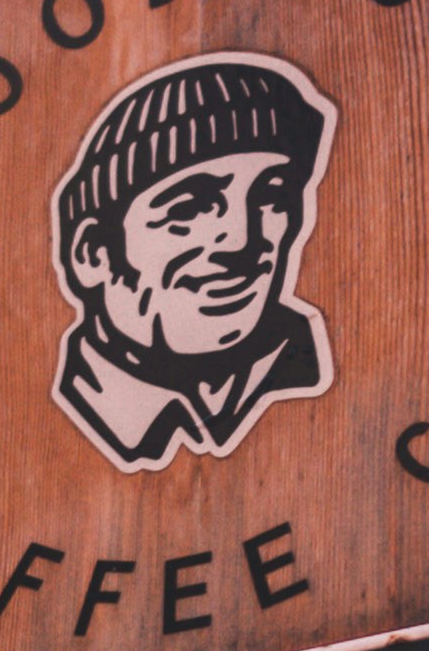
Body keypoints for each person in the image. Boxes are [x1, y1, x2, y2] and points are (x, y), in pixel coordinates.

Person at [49, 54, 335, 471]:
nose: (242, 242)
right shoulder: (34, 433)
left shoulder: (305, 370)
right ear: (93, 253)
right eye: (190, 207)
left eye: (272, 197)